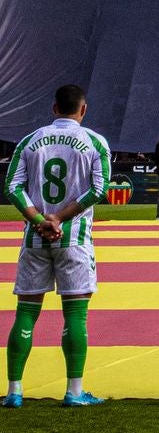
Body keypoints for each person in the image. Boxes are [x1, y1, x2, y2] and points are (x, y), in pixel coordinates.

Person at [3, 84, 110, 408]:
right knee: (75, 315)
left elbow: (12, 187)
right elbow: (99, 189)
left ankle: (14, 391)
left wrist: (39, 219)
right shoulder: (94, 142)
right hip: (73, 238)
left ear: (53, 109)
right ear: (83, 109)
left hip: (36, 238)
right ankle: (74, 390)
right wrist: (60, 218)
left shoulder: (30, 141)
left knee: (25, 312)